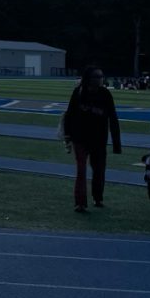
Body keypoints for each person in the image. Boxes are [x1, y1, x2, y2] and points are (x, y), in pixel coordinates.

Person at [62, 65, 122, 212]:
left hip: (99, 139)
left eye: (101, 76)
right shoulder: (78, 93)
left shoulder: (106, 94)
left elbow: (113, 118)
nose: (101, 79)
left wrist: (116, 143)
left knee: (99, 170)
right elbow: (69, 115)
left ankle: (98, 197)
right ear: (89, 79)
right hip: (80, 138)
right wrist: (68, 136)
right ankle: (80, 202)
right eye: (97, 77)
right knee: (81, 170)